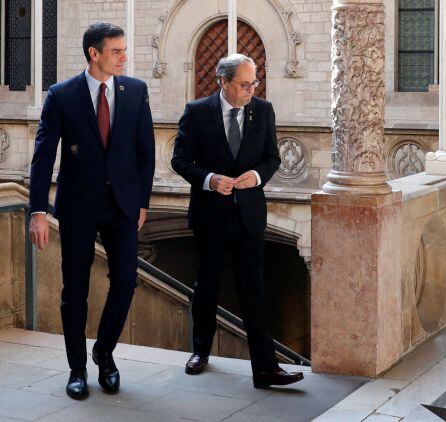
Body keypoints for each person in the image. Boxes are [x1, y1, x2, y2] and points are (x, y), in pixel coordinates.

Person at [28, 22, 155, 399]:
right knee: (75, 290)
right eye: (116, 51)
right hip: (78, 206)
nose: (124, 57)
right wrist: (37, 210)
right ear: (94, 54)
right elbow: (42, 157)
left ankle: (104, 351)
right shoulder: (62, 95)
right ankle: (77, 368)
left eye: (123, 50)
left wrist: (143, 201)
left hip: (123, 206)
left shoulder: (135, 91)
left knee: (126, 282)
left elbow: (145, 153)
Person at [171, 54, 303, 388]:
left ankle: (265, 368)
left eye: (254, 83)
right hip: (210, 215)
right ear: (224, 82)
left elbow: (272, 157)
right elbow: (180, 160)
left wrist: (257, 176)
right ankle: (200, 351)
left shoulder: (264, 110)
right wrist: (210, 179)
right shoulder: (197, 112)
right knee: (207, 287)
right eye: (244, 84)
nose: (250, 90)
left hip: (249, 216)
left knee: (254, 292)